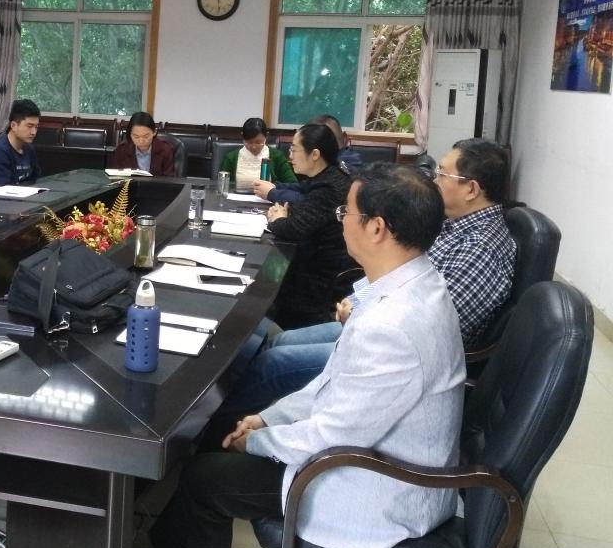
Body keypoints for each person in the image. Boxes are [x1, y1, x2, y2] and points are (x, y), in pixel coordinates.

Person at [149, 164, 465, 548]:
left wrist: (257, 443)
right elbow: (335, 380)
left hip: (376, 489)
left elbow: (335, 434)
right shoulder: (411, 286)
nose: (340, 220)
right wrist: (269, 418)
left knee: (203, 480)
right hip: (370, 454)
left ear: (377, 228)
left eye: (346, 212)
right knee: (215, 458)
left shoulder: (393, 326)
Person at [218, 137, 516, 418]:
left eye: (442, 174)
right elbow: (401, 274)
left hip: (395, 356)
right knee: (280, 341)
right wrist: (357, 301)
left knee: (273, 363)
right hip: (376, 323)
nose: (434, 181)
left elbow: (436, 326)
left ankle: (220, 430)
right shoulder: (456, 227)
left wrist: (361, 312)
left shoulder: (480, 248)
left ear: (471, 189)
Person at [264, 123, 354, 330]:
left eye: (294, 149)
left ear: (314, 154)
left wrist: (278, 219)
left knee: (268, 280)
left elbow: (293, 229)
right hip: (320, 263)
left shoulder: (328, 188)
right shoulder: (330, 175)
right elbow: (304, 199)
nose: (290, 156)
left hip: (320, 276)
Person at [252, 114, 356, 204]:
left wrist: (272, 193)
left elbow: (310, 201)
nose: (291, 156)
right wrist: (274, 186)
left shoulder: (342, 171)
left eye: (294, 150)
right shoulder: (325, 169)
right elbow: (304, 187)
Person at [0, 98, 43, 189]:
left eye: (36, 127)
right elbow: (3, 192)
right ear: (13, 126)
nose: (34, 132)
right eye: (29, 126)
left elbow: (36, 181)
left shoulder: (29, 149)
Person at [217, 117, 295, 190]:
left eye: (258, 142)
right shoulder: (231, 158)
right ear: (243, 137)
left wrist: (273, 188)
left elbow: (293, 184)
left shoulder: (277, 156)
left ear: (266, 136)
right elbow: (221, 184)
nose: (254, 147)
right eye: (249, 142)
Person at [110, 111, 175, 176]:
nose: (141, 141)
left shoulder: (165, 150)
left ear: (154, 132)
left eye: (146, 136)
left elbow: (169, 178)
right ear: (130, 134)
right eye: (136, 136)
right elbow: (116, 176)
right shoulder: (122, 150)